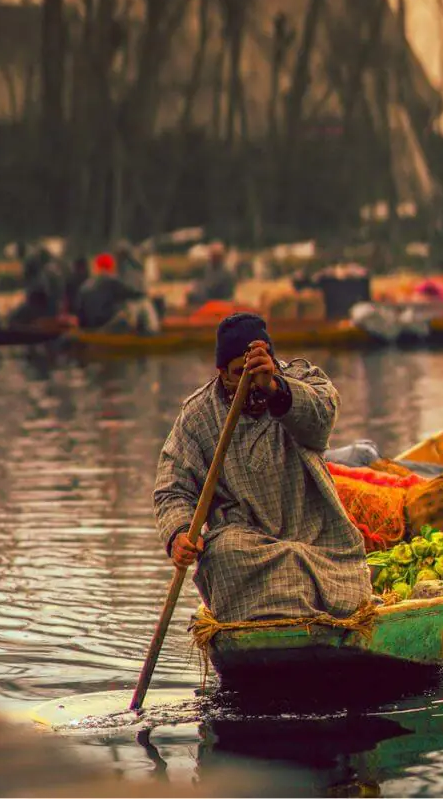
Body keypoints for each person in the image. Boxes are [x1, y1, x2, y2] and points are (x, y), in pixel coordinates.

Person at [153, 313, 371, 623]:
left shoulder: (303, 380)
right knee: (225, 553)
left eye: (254, 371)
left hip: (315, 537)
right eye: (239, 373)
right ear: (222, 373)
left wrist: (273, 387)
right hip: (246, 540)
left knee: (297, 558)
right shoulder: (199, 414)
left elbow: (320, 422)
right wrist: (178, 534)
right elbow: (173, 487)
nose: (248, 383)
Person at [76, 252, 159, 332]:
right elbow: (136, 296)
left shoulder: (84, 286)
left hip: (87, 328)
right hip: (105, 329)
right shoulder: (112, 282)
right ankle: (151, 331)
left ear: (96, 267)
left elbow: (79, 311)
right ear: (111, 267)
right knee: (142, 302)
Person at [187, 243, 236, 308]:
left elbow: (213, 290)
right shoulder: (207, 269)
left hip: (217, 304)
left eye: (215, 255)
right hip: (206, 301)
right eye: (212, 255)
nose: (211, 257)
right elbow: (201, 284)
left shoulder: (226, 273)